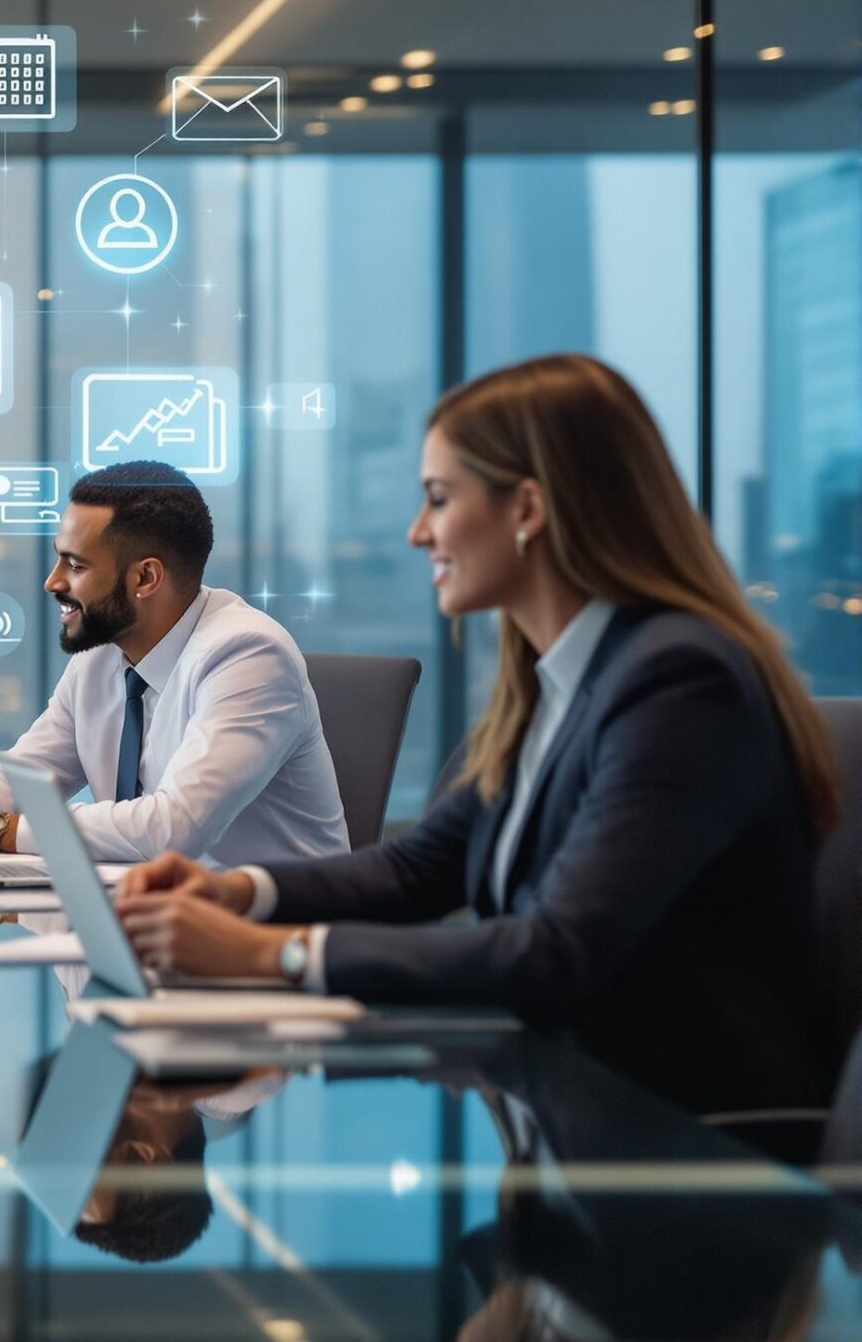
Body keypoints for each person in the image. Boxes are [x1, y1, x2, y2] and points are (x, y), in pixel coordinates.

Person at [114, 354, 843, 1116]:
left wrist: (274, 955)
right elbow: (419, 869)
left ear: (527, 509)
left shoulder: (681, 685)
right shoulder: (557, 679)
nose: (416, 532)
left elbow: (555, 951)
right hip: (566, 1110)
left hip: (691, 1153)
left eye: (438, 498)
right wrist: (237, 891)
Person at [0, 460, 347, 865]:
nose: (52, 581)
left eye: (75, 565)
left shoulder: (248, 654)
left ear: (145, 578)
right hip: (150, 917)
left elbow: (173, 830)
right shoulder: (102, 654)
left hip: (271, 933)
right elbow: (26, 779)